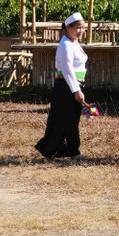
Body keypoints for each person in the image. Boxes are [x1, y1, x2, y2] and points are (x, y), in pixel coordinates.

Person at [36, 12, 90, 159]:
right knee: (66, 120)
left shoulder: (73, 43)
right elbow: (67, 70)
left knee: (68, 119)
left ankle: (56, 149)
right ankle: (71, 151)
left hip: (73, 85)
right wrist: (76, 90)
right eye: (77, 27)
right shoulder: (65, 45)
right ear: (68, 27)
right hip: (67, 86)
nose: (80, 31)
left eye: (83, 28)